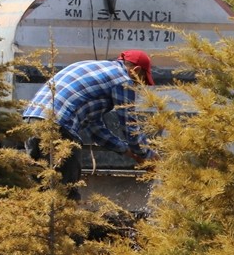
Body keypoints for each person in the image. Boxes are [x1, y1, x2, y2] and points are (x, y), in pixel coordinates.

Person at [22, 49, 156, 198]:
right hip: (58, 126)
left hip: (30, 122)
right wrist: (148, 155)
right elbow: (130, 127)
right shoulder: (123, 79)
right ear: (136, 70)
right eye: (140, 82)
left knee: (40, 190)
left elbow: (95, 129)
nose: (136, 87)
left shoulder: (94, 69)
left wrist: (127, 151)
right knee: (66, 193)